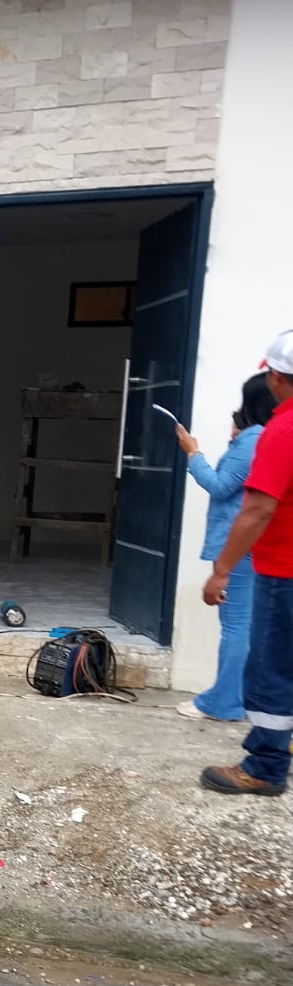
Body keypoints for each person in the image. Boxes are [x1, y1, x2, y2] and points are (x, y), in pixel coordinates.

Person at [200, 330, 293, 796]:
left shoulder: (282, 430)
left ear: (275, 377)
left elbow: (256, 509)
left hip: (283, 570)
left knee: (271, 668)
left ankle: (266, 766)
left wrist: (221, 570)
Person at [173, 372, 276, 721]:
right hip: (252, 546)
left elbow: (219, 486)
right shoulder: (264, 437)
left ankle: (225, 703)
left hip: (239, 547)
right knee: (244, 626)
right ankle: (234, 697)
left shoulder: (252, 440)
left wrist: (193, 453)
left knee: (236, 627)